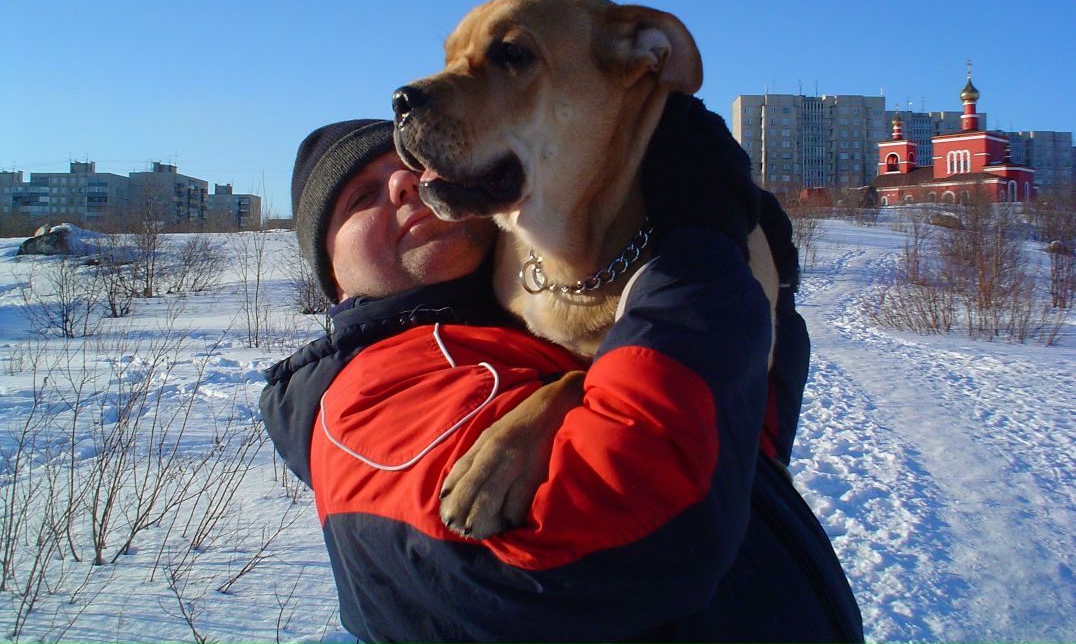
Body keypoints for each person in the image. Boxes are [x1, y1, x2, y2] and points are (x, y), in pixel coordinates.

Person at [261, 115, 863, 643]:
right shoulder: (367, 399)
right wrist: (697, 252)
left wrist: (762, 289)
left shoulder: (522, 327)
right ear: (332, 277)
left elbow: (724, 452)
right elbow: (625, 543)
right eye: (360, 198)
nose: (403, 183)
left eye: (416, 170)